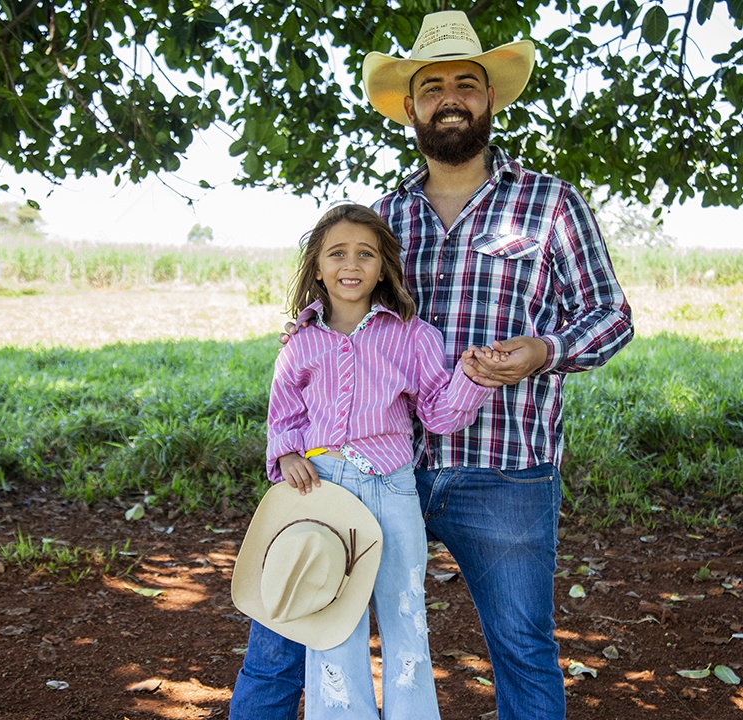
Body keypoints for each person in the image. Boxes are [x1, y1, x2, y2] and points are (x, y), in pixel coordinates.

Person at [230, 11, 633, 720]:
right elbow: (324, 331)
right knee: (293, 620)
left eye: (467, 84)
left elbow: (610, 316)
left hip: (503, 464)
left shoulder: (549, 203)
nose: (451, 96)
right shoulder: (381, 221)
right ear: (412, 107)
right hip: (369, 464)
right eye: (434, 85)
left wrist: (542, 352)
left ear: (489, 99)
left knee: (521, 644)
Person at [243, 202, 496, 719]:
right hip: (323, 492)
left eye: (366, 253)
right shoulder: (301, 342)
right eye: (337, 253)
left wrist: (470, 379)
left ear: (383, 266)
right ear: (317, 266)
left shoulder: (413, 335)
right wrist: (286, 454)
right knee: (331, 620)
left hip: (392, 488)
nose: (350, 264)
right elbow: (283, 412)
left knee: (407, 618)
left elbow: (439, 415)